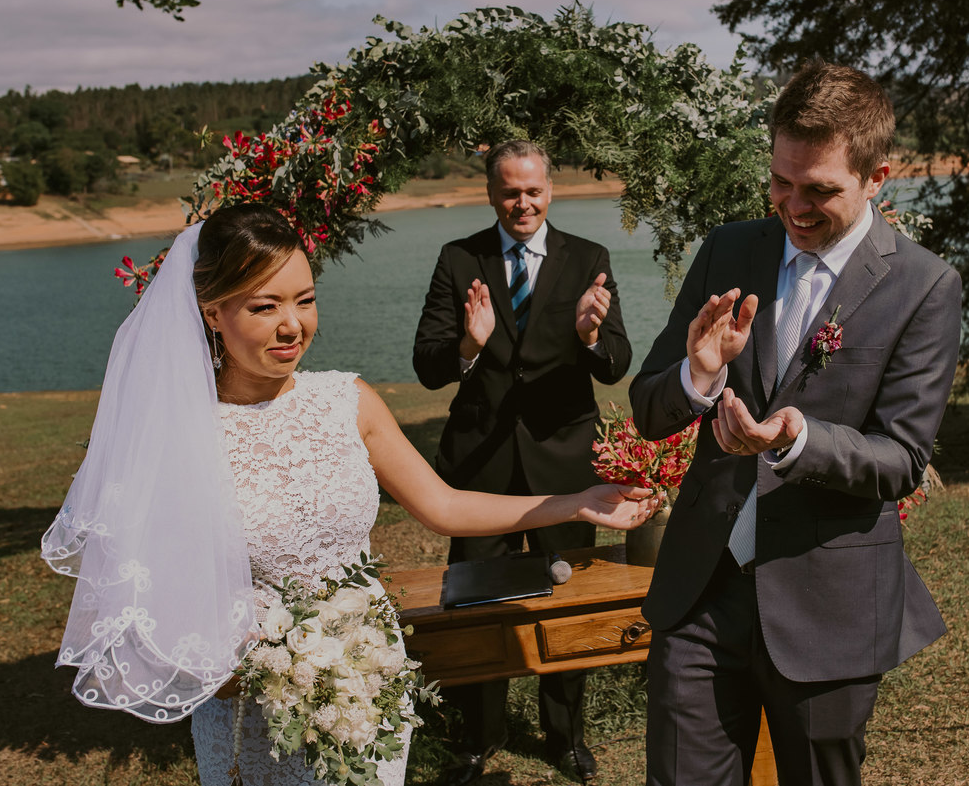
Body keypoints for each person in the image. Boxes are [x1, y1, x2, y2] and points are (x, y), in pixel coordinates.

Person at [40, 203, 658, 786]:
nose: (292, 325)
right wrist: (248, 664)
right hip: (252, 705)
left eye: (305, 300)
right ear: (210, 311)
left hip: (369, 684)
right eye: (264, 307)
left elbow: (443, 505)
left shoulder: (347, 400)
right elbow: (138, 595)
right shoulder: (173, 434)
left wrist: (575, 501)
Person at [629, 61, 962, 785]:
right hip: (702, 593)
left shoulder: (924, 285)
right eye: (781, 182)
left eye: (820, 190)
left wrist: (797, 439)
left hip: (828, 608)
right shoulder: (729, 249)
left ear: (878, 176)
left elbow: (902, 458)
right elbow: (648, 406)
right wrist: (699, 375)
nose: (794, 207)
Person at [412, 139, 631, 784]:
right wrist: (468, 344)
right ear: (491, 193)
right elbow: (427, 366)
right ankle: (477, 737)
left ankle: (565, 738)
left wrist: (591, 335)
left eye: (533, 190)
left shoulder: (588, 259)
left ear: (550, 191)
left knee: (565, 598)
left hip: (565, 466)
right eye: (510, 191)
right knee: (474, 606)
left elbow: (617, 362)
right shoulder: (459, 260)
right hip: (481, 469)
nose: (522, 202)